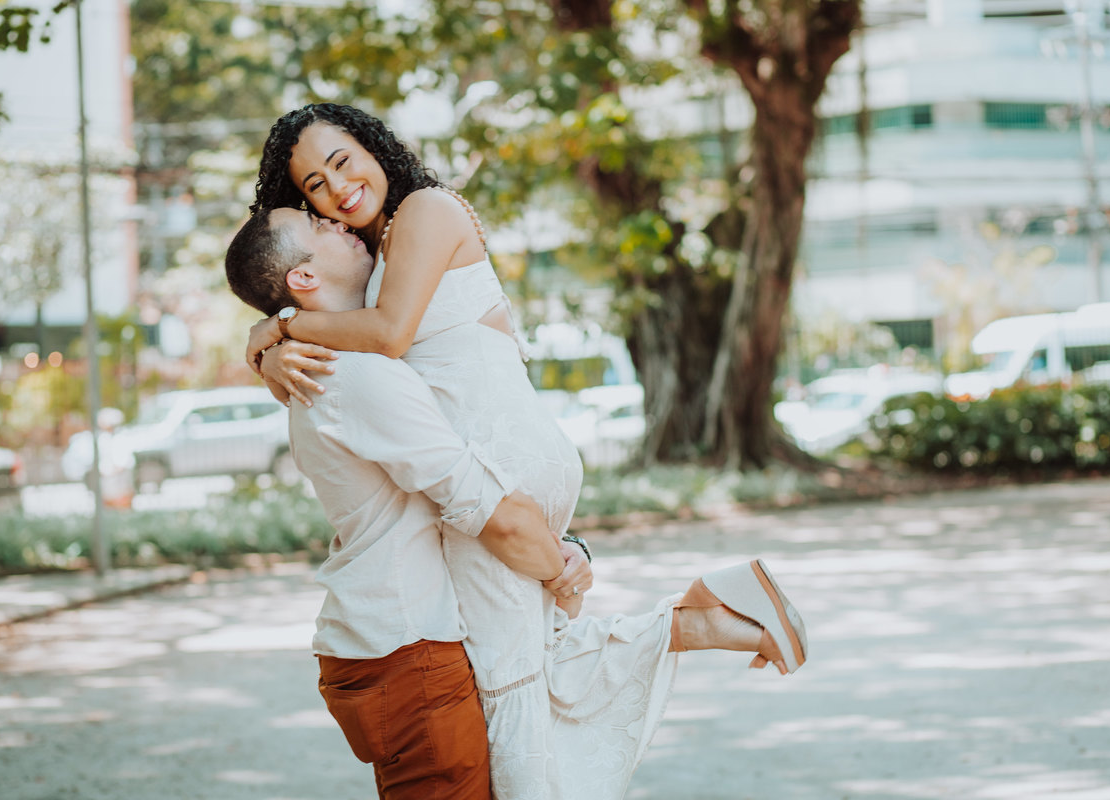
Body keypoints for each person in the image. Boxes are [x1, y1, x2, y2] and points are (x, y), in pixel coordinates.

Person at [228, 121, 807, 794]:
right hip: (504, 452)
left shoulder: (423, 211)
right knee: (532, 658)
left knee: (510, 687)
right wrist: (270, 339)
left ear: (374, 148)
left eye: (342, 162)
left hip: (491, 460)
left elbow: (386, 336)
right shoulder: (379, 258)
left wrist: (279, 326)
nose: (337, 191)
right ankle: (717, 619)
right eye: (314, 188)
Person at [228, 207, 591, 799]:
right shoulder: (353, 374)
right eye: (318, 226)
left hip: (398, 641)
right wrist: (563, 574)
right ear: (302, 280)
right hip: (406, 649)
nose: (339, 222)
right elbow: (481, 506)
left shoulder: (340, 364)